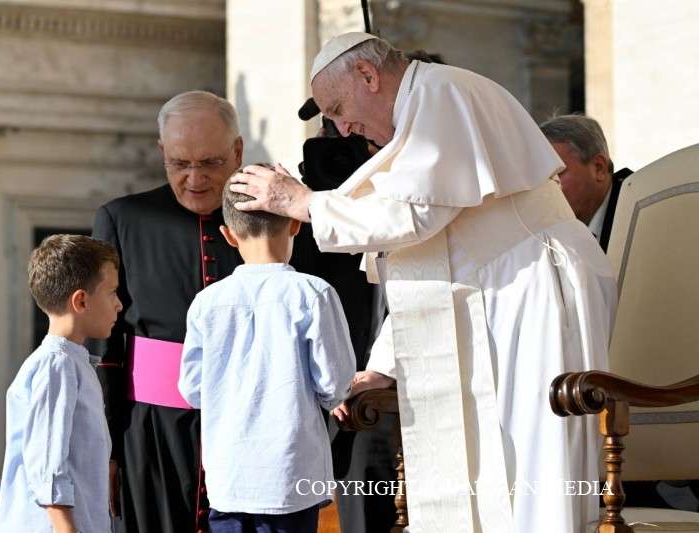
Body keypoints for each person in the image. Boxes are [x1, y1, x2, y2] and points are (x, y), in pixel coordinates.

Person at [230, 33, 618, 532]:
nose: (341, 127)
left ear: (369, 77)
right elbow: (419, 266)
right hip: (496, 297)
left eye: (338, 108)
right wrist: (383, 367)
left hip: (534, 293)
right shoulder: (416, 119)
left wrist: (301, 203)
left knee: (533, 463)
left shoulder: (444, 92)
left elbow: (412, 216)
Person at [92, 91, 244, 533]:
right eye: (180, 164)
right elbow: (106, 348)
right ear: (163, 153)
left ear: (237, 151)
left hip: (248, 426)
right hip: (150, 434)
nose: (194, 179)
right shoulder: (123, 219)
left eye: (211, 163)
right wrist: (108, 451)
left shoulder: (272, 219)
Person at [178, 178, 356, 532]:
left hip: (228, 477)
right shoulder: (313, 293)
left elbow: (192, 389)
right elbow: (334, 384)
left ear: (228, 235)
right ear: (295, 223)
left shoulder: (207, 302)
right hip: (290, 477)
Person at [0, 235, 120, 533]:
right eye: (112, 293)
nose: (119, 304)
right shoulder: (57, 364)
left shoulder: (72, 362)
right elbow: (48, 465)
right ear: (81, 300)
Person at [540, 114, 634, 250]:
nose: (546, 189)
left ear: (599, 168)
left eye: (556, 174)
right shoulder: (547, 228)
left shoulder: (643, 213)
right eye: (541, 179)